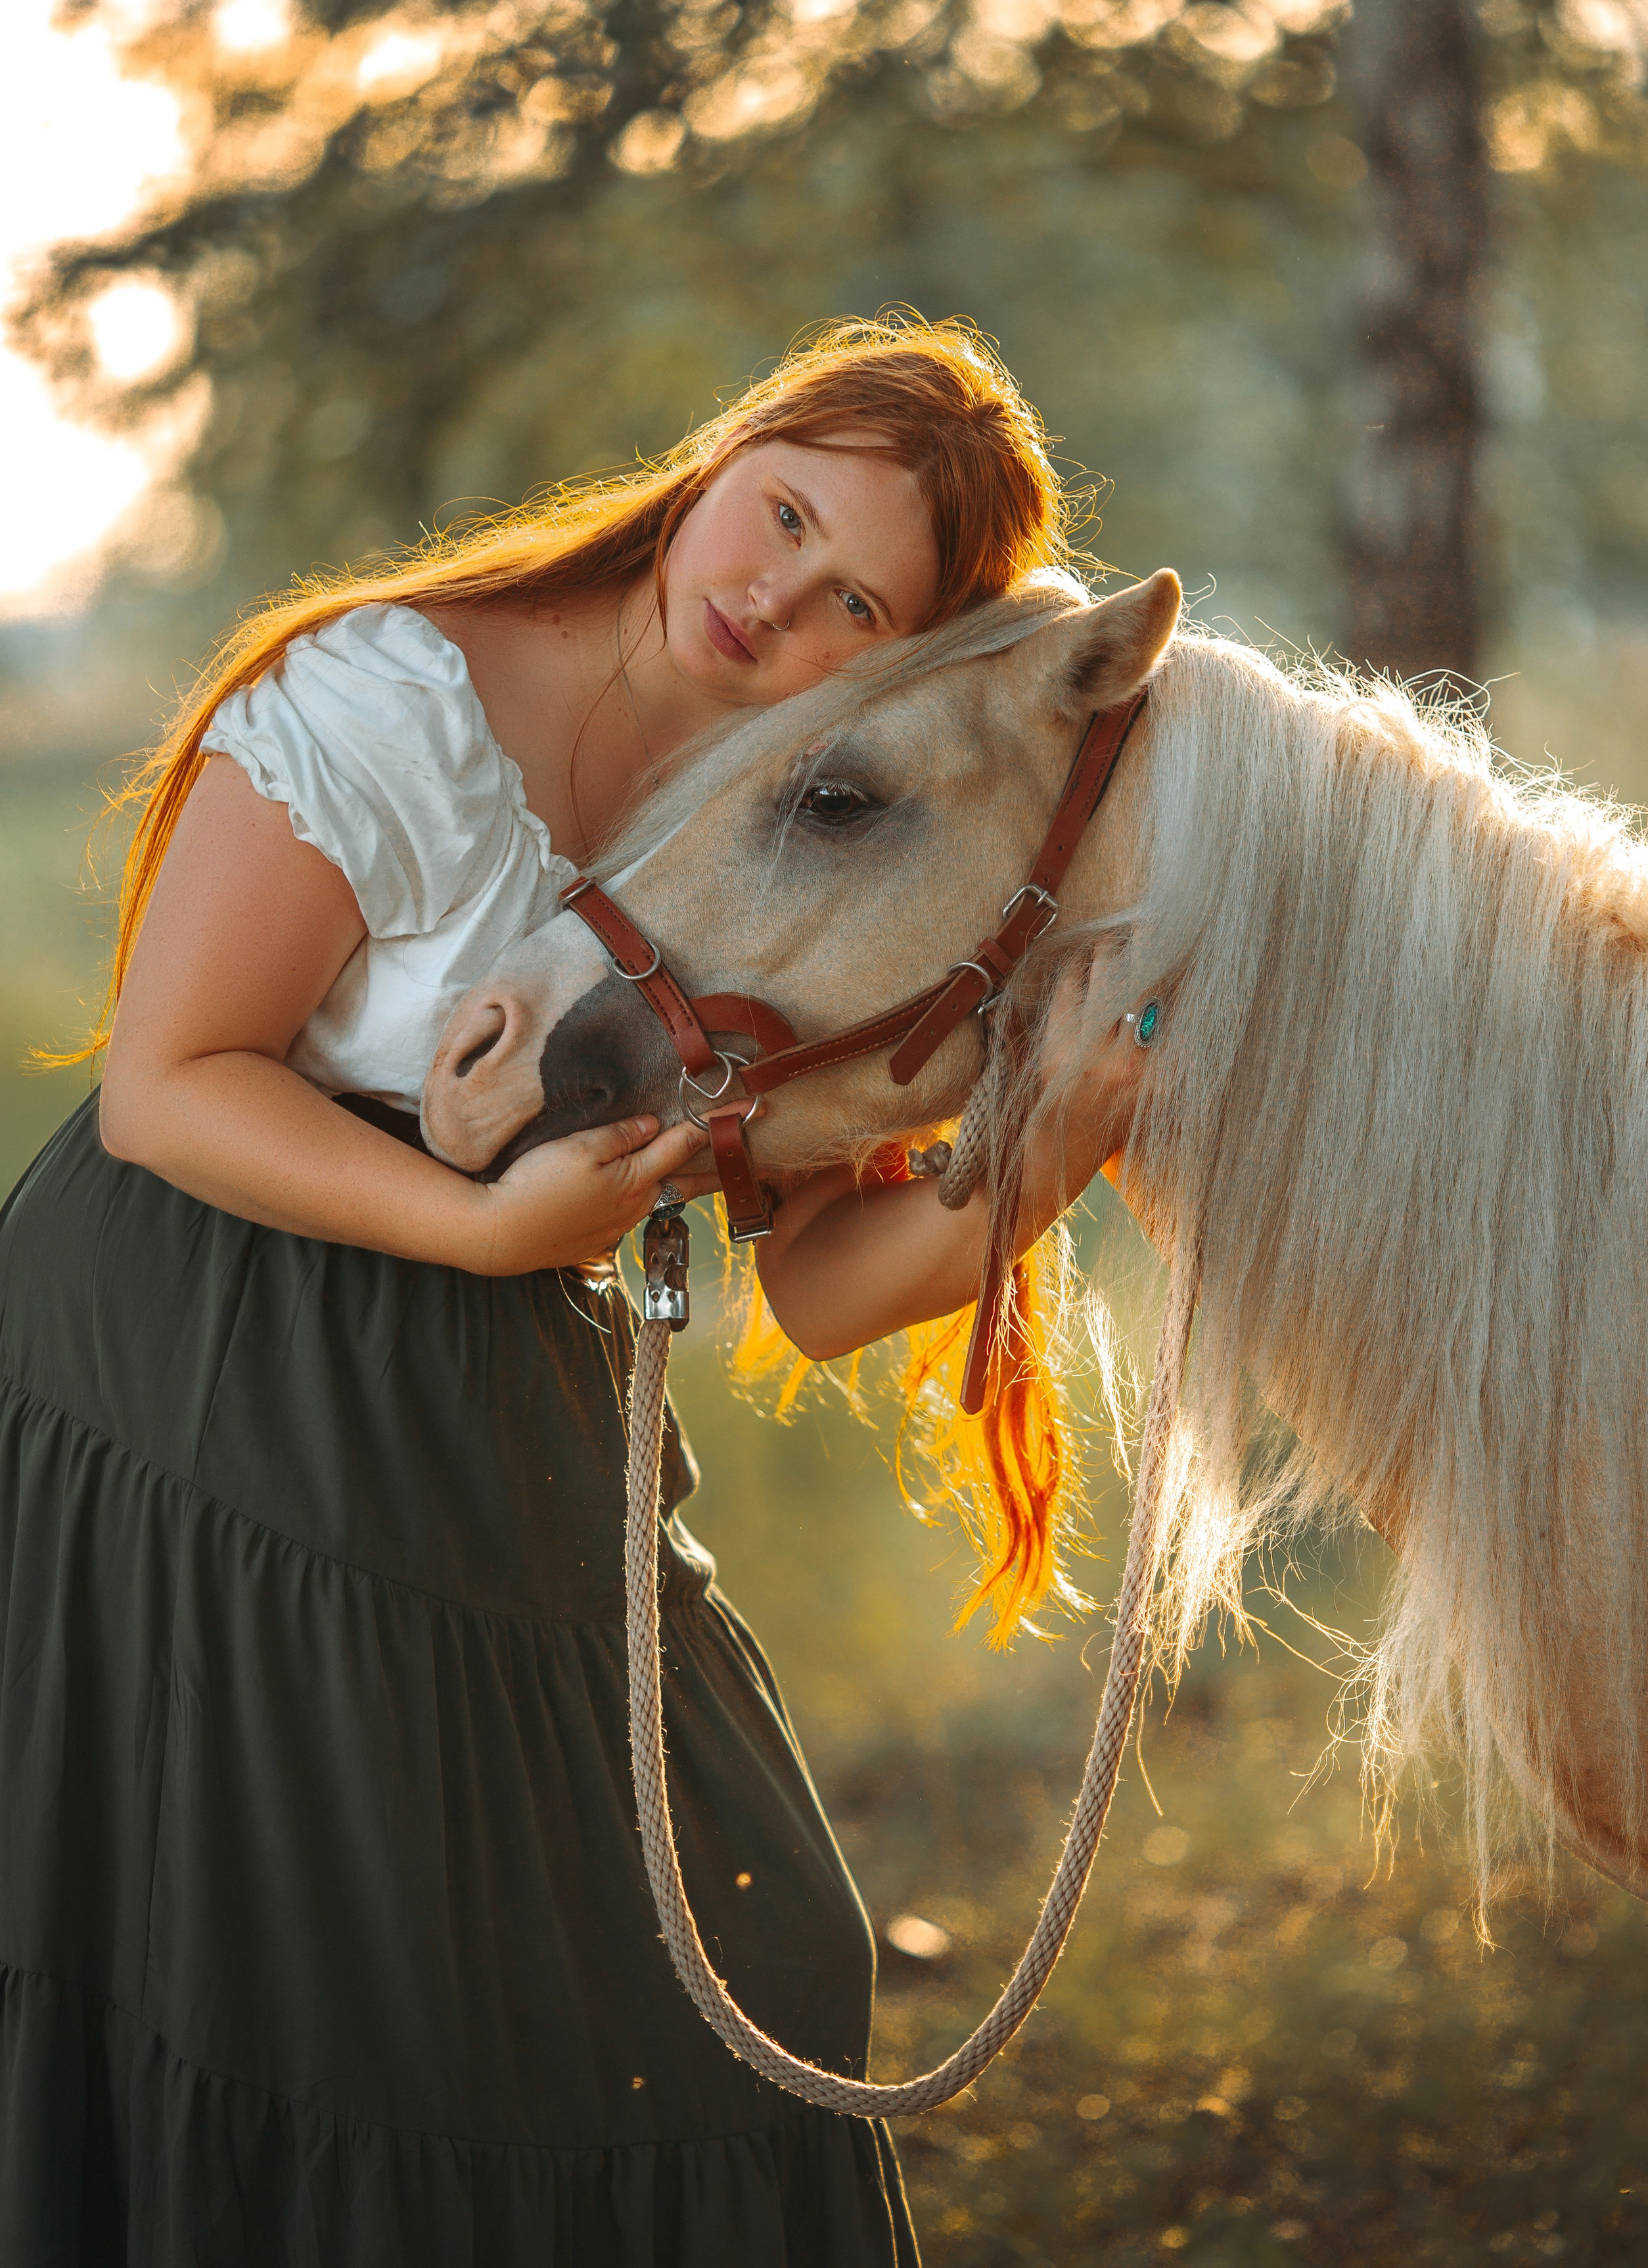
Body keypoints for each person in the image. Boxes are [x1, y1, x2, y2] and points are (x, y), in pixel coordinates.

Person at [0, 318, 1127, 2265]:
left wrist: (1052, 1151)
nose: (771, 598)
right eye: (777, 514)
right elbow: (168, 1085)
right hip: (210, 1355)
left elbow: (829, 1288)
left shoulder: (808, 804)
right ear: (723, 459)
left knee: (758, 1938)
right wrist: (481, 1231)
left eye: (852, 594)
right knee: (314, 2011)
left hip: (510, 1410)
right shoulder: (397, 702)